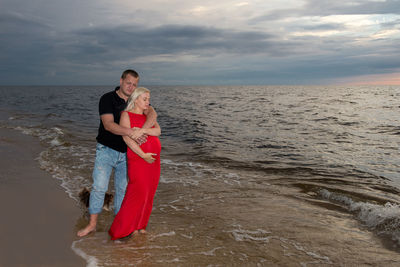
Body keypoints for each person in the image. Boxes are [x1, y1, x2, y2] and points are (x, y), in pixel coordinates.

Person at [77, 70, 157, 237]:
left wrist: (142, 130)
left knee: (122, 191)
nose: (131, 87)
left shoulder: (138, 100)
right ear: (121, 81)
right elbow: (108, 125)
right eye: (128, 83)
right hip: (106, 150)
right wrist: (131, 132)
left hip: (127, 155)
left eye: (134, 84)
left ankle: (120, 228)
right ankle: (92, 224)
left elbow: (153, 113)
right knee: (99, 187)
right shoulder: (107, 98)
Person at [108, 87, 161, 240]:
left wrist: (142, 131)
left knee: (149, 194)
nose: (147, 102)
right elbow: (126, 138)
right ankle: (121, 230)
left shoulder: (148, 116)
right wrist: (143, 154)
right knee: (136, 194)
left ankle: (140, 227)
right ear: (136, 99)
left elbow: (158, 131)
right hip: (139, 159)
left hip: (154, 160)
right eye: (144, 99)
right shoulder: (126, 114)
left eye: (148, 99)